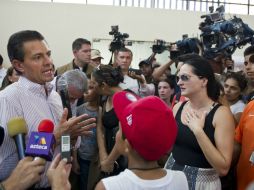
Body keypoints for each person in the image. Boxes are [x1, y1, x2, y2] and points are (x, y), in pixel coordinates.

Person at [0, 30, 96, 189]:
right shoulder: (7, 99)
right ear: (18, 65)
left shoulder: (55, 96)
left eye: (48, 54)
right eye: (38, 57)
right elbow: (4, 165)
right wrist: (53, 138)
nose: (48, 62)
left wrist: (69, 141)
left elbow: (63, 143)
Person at [165, 55, 235, 190]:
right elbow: (169, 148)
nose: (179, 83)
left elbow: (223, 168)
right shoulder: (178, 107)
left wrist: (198, 131)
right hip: (172, 176)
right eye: (178, 78)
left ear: (203, 81)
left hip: (202, 184)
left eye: (185, 77)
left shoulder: (221, 114)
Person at [95, 91, 188, 190]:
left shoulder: (108, 186)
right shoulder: (180, 178)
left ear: (127, 146)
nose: (117, 133)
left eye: (119, 130)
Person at [91, 65, 127, 179]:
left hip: (123, 160)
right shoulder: (105, 98)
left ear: (103, 85)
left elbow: (123, 136)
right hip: (108, 155)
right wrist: (103, 154)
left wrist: (109, 161)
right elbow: (100, 127)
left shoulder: (124, 100)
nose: (92, 87)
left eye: (93, 84)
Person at [75, 79, 101, 190]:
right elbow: (74, 137)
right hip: (83, 156)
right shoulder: (79, 110)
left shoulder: (102, 110)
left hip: (97, 159)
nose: (86, 91)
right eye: (85, 88)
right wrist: (75, 160)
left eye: (90, 88)